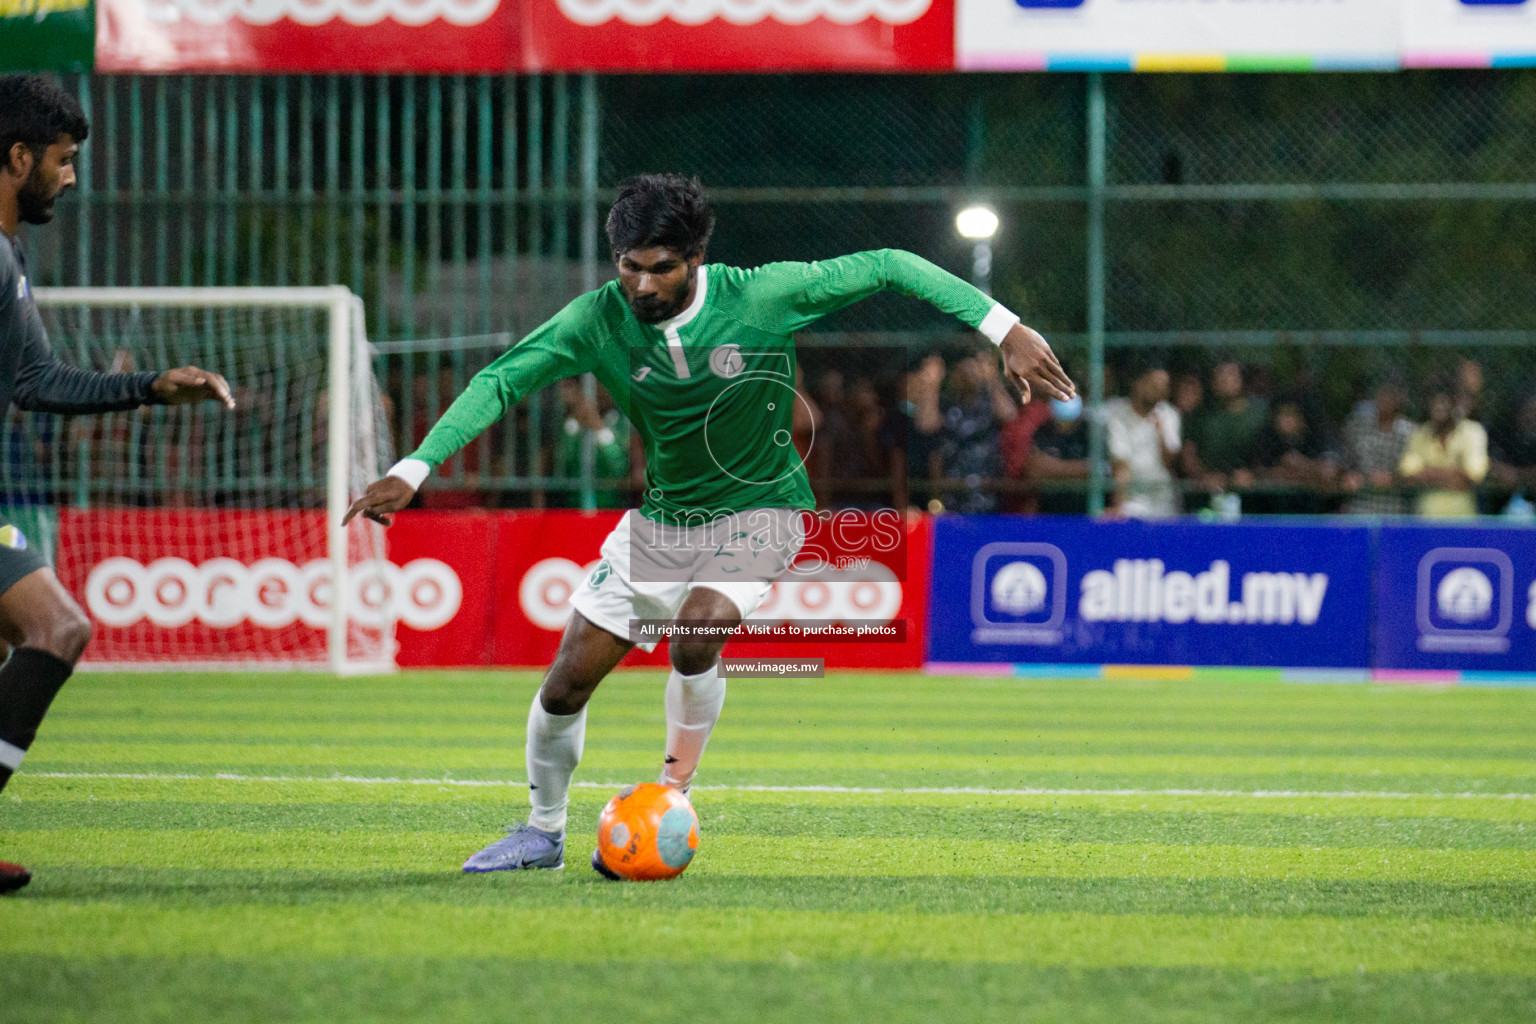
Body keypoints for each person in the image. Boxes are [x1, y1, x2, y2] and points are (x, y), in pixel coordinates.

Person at [343, 174, 1074, 875]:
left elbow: (888, 265)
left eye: (660, 268)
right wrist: (414, 467)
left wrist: (1003, 326)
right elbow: (502, 378)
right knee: (565, 686)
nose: (641, 286)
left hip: (765, 513)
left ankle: (673, 794)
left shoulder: (762, 296)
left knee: (697, 632)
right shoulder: (598, 318)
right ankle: (541, 832)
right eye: (629, 267)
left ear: (696, 259)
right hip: (663, 523)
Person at [0, 75, 235, 894]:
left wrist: (147, 388)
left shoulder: (8, 254)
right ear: (18, 156)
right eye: (62, 161)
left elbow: (34, 378)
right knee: (56, 629)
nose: (70, 177)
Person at [1399, 382, 1489, 518]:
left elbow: (1474, 475)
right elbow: (1409, 475)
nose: (1439, 407)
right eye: (1435, 403)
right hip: (1426, 518)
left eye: (1444, 402)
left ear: (1454, 403)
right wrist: (1453, 475)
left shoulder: (1472, 432)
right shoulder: (1420, 433)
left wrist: (1428, 474)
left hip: (1463, 519)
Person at [1104, 364, 1180, 519]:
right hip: (1133, 500)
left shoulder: (1169, 414)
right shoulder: (1119, 416)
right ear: (1138, 384)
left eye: (1163, 388)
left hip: (1164, 499)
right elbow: (1120, 466)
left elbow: (1171, 462)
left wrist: (1161, 435)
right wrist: (1120, 506)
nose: (1158, 392)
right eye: (1154, 386)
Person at [1186, 360, 1266, 491]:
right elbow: (1188, 455)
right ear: (1213, 382)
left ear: (1241, 378)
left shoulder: (1260, 413)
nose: (1225, 379)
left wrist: (1255, 475)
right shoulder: (1201, 415)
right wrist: (1203, 476)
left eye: (1230, 374)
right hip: (1209, 493)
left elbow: (1272, 455)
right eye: (1219, 374)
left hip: (1255, 496)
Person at [1340, 379, 1415, 515]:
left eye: (1390, 396)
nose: (1385, 400)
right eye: (1382, 395)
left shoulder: (1409, 432)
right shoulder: (1359, 427)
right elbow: (1346, 457)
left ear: (1399, 400)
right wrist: (1349, 473)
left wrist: (1394, 477)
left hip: (1394, 504)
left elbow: (1414, 469)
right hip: (1362, 502)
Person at [1027, 395, 1090, 514]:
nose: (1066, 398)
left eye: (1071, 394)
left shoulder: (1091, 433)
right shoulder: (1043, 431)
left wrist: (1053, 468)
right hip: (1049, 513)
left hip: (1085, 513)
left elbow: (1097, 469)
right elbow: (1034, 470)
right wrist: (1079, 470)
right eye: (1061, 393)